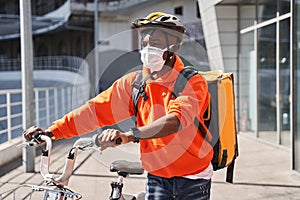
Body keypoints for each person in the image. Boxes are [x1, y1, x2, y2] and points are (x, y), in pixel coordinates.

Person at [23, 12, 213, 200]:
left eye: (154, 44)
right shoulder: (135, 83)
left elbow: (176, 120)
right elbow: (93, 111)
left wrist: (129, 135)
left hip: (193, 177)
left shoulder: (191, 81)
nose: (147, 50)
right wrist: (53, 132)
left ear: (173, 47)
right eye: (144, 44)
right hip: (157, 175)